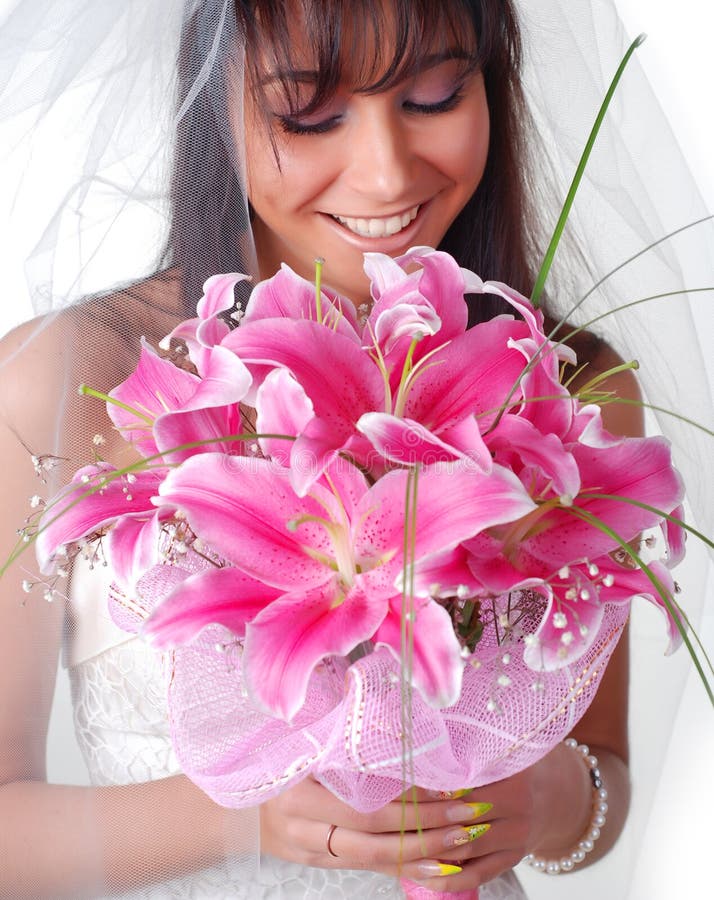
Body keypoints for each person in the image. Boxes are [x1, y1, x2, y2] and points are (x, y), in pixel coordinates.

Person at [0, 1, 711, 898]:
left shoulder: (564, 387)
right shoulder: (70, 380)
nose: (384, 176)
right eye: (309, 113)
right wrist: (245, 815)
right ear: (212, 104)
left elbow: (601, 779)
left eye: (436, 96)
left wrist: (545, 795)